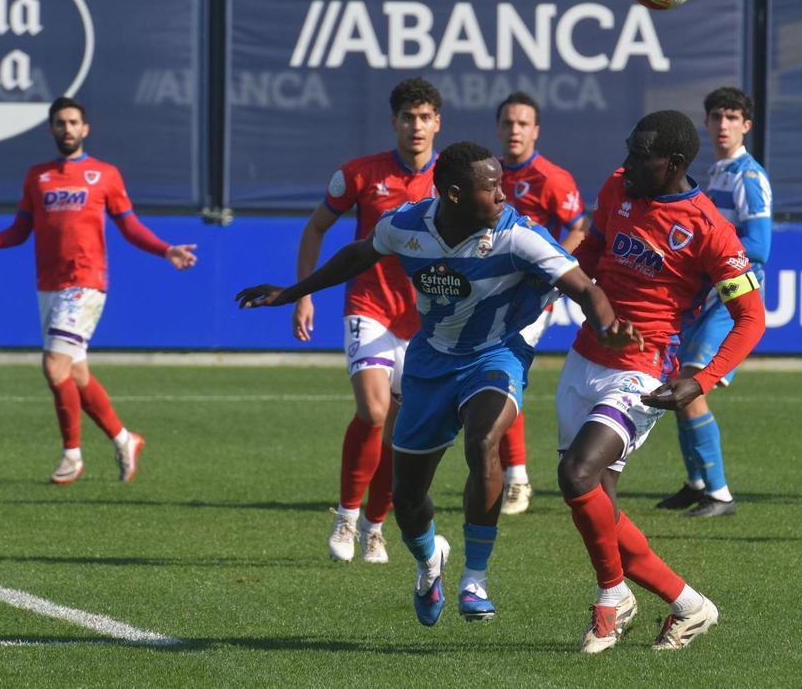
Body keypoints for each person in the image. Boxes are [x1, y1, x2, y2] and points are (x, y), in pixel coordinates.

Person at [237, 141, 639, 626]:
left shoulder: (519, 236)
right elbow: (357, 256)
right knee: (407, 499)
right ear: (453, 194)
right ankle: (431, 562)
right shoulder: (406, 227)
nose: (503, 196)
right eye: (490, 188)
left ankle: (475, 578)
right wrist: (291, 292)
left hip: (496, 354)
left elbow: (586, 288)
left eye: (502, 185)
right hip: (431, 362)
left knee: (484, 438)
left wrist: (607, 327)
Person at [556, 110, 766, 654]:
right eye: (628, 148)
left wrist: (702, 380)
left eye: (639, 154)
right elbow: (591, 256)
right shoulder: (615, 188)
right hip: (583, 361)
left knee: (576, 474)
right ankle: (690, 605)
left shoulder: (708, 228)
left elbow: (752, 318)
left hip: (642, 371)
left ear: (672, 164)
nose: (626, 162)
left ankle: (612, 598)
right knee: (599, 509)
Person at [0, 96, 197, 484]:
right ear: (51, 129)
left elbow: (129, 226)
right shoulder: (38, 176)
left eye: (73, 122)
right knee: (78, 374)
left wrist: (166, 249)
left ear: (85, 129)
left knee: (53, 366)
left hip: (85, 284)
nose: (67, 129)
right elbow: (19, 232)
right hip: (49, 286)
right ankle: (124, 440)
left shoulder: (104, 174)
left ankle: (71, 455)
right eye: (60, 123)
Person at [294, 77, 440, 564]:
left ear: (437, 123)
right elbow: (316, 227)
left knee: (402, 433)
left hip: (423, 322)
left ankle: (376, 526)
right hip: (369, 307)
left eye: (424, 117)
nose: (416, 126)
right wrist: (305, 295)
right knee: (374, 412)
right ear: (394, 122)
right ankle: (346, 515)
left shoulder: (454, 179)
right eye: (407, 117)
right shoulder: (360, 173)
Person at [657, 87, 772, 518]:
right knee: (677, 381)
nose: (723, 124)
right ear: (706, 123)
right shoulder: (717, 173)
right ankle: (697, 481)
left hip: (733, 297)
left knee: (691, 382)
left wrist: (705, 255)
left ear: (747, 125)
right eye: (716, 117)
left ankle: (719, 493)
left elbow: (759, 246)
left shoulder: (749, 177)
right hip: (710, 295)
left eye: (732, 117)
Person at [494, 91, 589, 515]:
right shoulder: (489, 174)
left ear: (536, 130)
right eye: (508, 123)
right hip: (491, 293)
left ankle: (516, 478)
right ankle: (508, 473)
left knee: (501, 371)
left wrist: (544, 270)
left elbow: (578, 231)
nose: (515, 130)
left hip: (531, 299)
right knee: (491, 376)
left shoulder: (552, 177)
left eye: (522, 123)